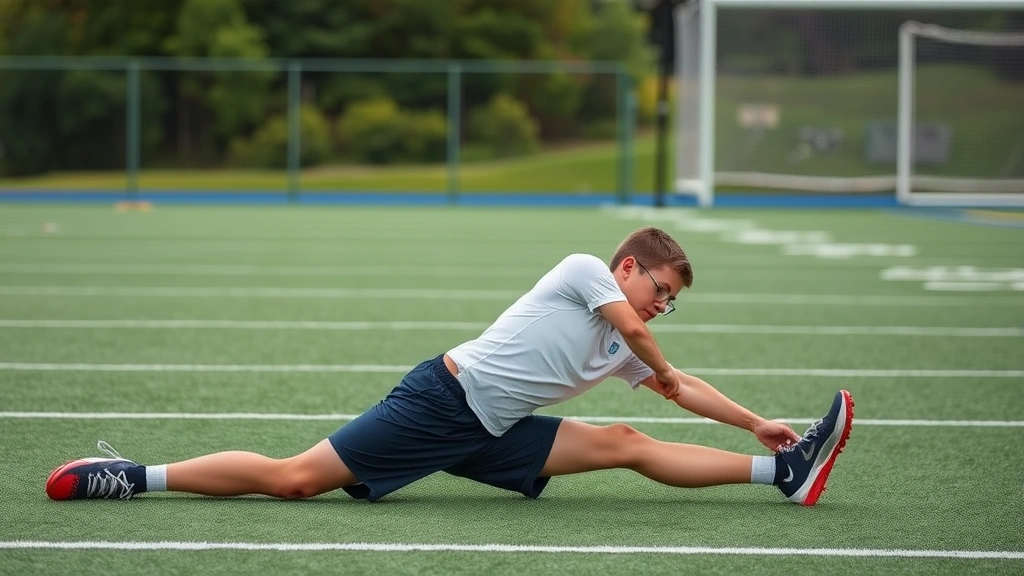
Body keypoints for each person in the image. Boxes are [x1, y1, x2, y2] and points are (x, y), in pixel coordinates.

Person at [45, 227, 853, 506]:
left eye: (672, 302)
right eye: (661, 291)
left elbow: (674, 378)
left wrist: (752, 419)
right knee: (293, 481)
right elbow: (648, 349)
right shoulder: (586, 274)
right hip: (442, 401)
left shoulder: (625, 342)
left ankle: (778, 471)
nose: (661, 308)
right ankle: (133, 475)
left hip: (490, 429)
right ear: (629, 268)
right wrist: (666, 366)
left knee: (625, 440)